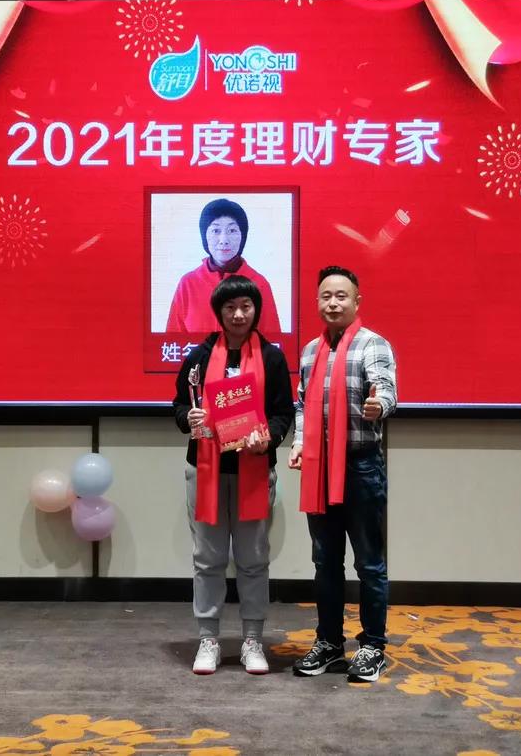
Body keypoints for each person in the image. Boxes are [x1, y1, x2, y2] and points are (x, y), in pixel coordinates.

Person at [173, 275, 294, 675]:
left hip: (253, 470)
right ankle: (208, 639)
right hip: (206, 469)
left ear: (256, 310)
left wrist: (269, 436)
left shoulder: (272, 358)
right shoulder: (199, 356)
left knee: (253, 559)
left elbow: (283, 413)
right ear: (218, 312)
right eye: (230, 307)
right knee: (207, 559)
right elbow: (179, 405)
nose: (238, 314)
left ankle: (252, 640)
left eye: (245, 306)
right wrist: (188, 418)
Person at [288, 265, 397, 683]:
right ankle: (330, 643)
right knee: (325, 562)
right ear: (318, 301)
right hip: (319, 466)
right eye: (326, 296)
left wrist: (378, 405)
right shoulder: (309, 352)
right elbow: (302, 404)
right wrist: (300, 441)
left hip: (360, 465)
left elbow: (386, 389)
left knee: (369, 563)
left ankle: (373, 646)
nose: (333, 303)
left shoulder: (373, 344)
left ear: (356, 301)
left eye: (341, 296)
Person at [166, 198, 283, 335]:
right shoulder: (187, 284)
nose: (224, 240)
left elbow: (273, 342)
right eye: (216, 230)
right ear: (204, 236)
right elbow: (172, 341)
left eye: (232, 230)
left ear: (243, 236)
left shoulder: (259, 284)